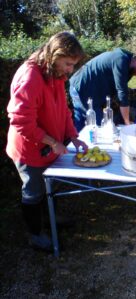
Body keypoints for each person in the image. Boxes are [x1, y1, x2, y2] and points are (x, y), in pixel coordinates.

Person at [6, 32, 88, 251]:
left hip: (48, 147)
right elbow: (20, 120)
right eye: (68, 63)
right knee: (33, 190)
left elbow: (63, 110)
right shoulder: (31, 76)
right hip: (29, 149)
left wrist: (73, 136)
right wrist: (52, 142)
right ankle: (35, 234)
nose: (71, 70)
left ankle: (51, 218)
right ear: (55, 55)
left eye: (73, 65)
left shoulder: (55, 74)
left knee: (49, 184)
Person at [69, 48, 136, 131]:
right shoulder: (120, 60)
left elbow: (118, 91)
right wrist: (127, 123)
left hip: (93, 93)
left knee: (96, 126)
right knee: (95, 127)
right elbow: (122, 93)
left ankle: (81, 142)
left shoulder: (128, 67)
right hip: (81, 87)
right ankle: (78, 143)